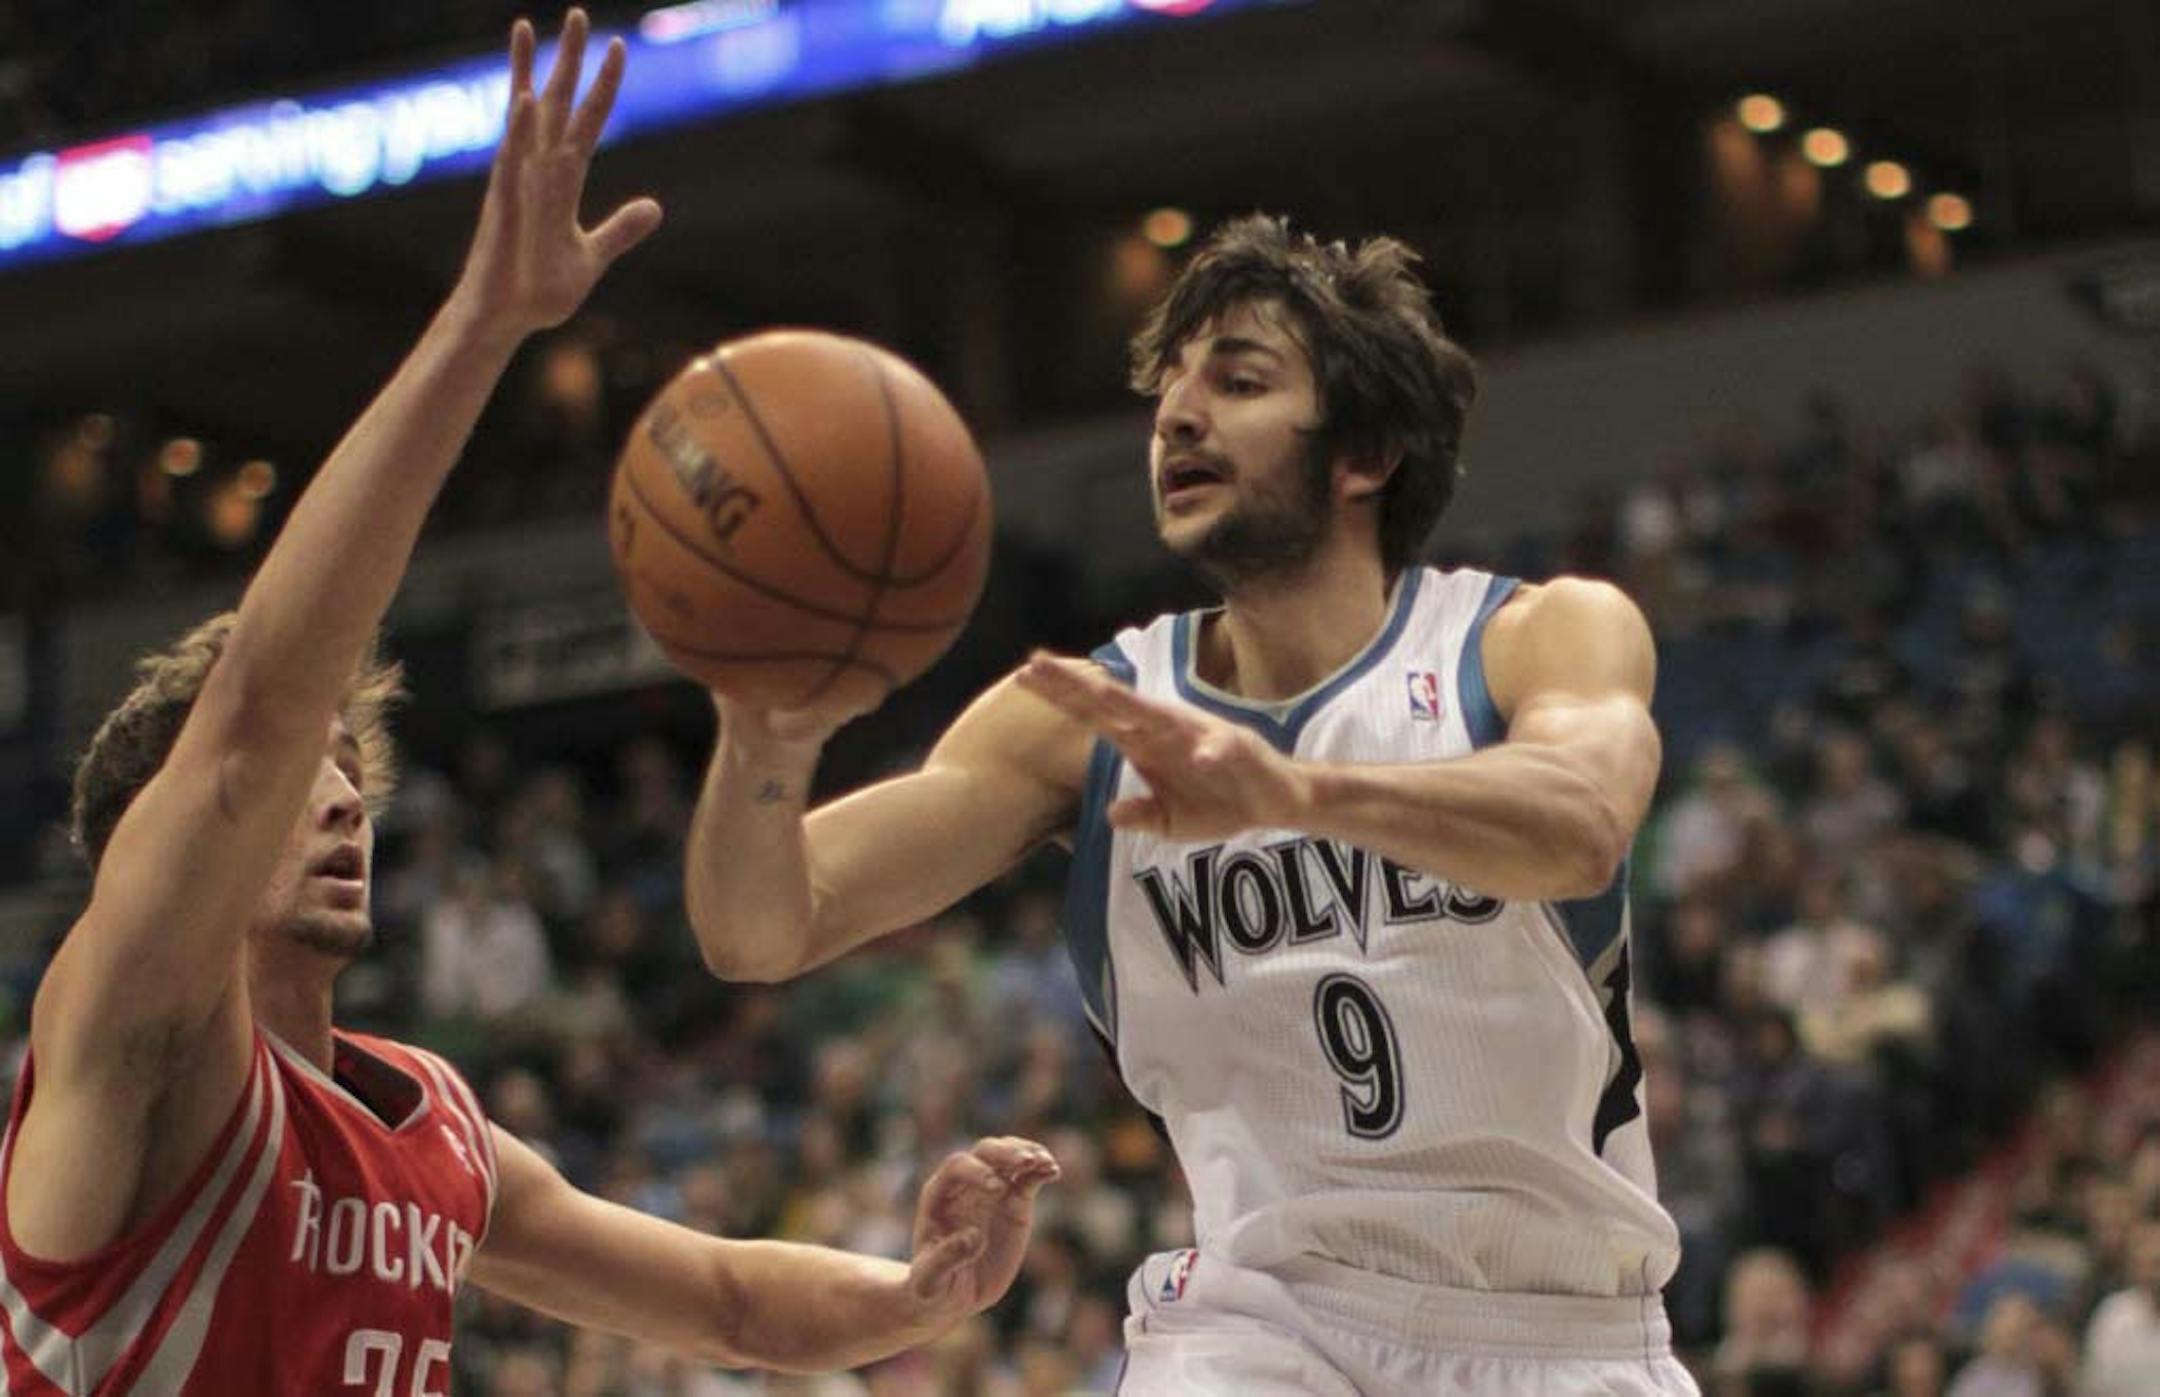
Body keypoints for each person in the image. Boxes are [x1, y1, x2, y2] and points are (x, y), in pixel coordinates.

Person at [0, 15, 1056, 1393]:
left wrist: (918, 1291)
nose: (332, 795)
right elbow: (251, 720)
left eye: (350, 772)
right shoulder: (126, 1043)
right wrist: (482, 324)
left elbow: (730, 1297)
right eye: (292, 779)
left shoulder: (433, 1122)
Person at [688, 216, 1694, 1393]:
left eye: (1239, 379)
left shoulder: (1535, 635)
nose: (1176, 412)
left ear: (1363, 452)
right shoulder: (1083, 716)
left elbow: (1579, 822)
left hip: (1562, 1332)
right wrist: (761, 731)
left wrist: (1292, 789)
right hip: (1262, 1321)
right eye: (1169, 384)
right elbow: (760, 925)